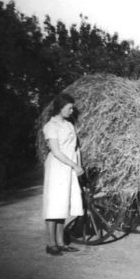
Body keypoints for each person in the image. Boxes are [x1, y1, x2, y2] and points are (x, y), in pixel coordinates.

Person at [43, 93, 84, 256]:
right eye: (69, 108)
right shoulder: (50, 126)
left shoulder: (68, 125)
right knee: (53, 206)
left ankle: (61, 242)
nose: (71, 110)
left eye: (72, 107)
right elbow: (57, 152)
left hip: (69, 168)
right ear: (60, 108)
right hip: (57, 168)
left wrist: (78, 166)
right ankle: (51, 244)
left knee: (62, 205)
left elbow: (75, 148)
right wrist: (74, 165)